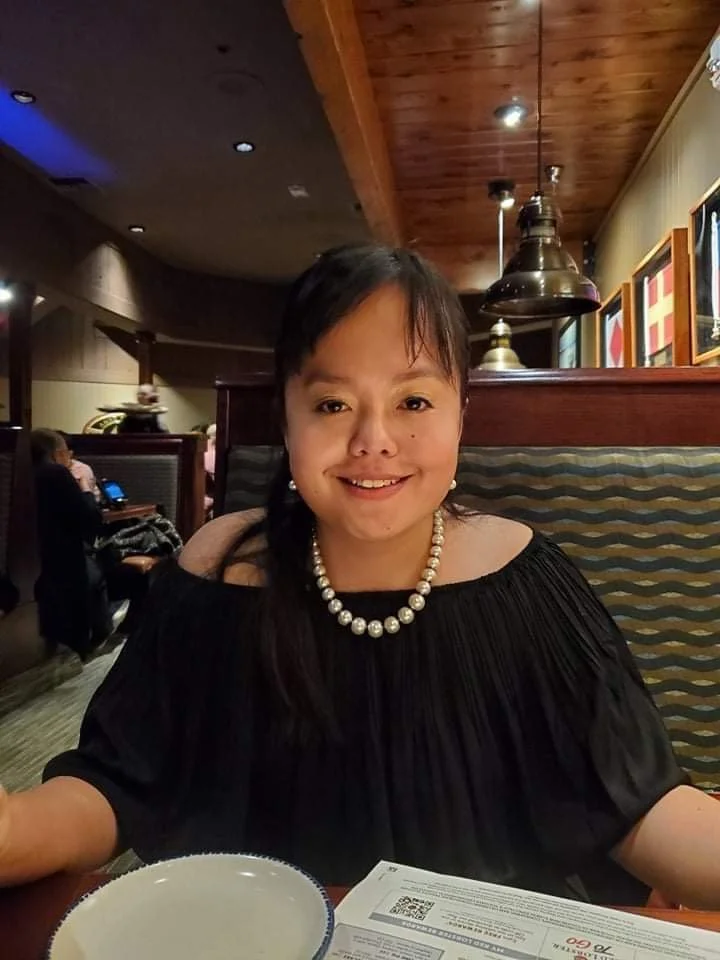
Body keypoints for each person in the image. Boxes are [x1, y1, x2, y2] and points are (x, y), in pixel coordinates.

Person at [2, 245, 720, 907]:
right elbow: (115, 783)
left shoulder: (525, 580)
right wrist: (16, 829)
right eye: (332, 404)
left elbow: (638, 802)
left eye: (413, 401)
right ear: (287, 420)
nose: (373, 440)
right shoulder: (214, 576)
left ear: (460, 415)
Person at [29, 428, 110, 659]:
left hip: (26, 559)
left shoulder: (15, 471)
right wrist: (85, 490)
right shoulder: (55, 474)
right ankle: (90, 642)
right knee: (98, 571)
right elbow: (90, 521)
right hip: (59, 561)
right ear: (58, 453)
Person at [104, 384, 169, 434]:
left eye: (144, 394)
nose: (140, 396)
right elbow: (121, 431)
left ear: (153, 396)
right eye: (139, 394)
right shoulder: (130, 412)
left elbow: (164, 433)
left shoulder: (157, 413)